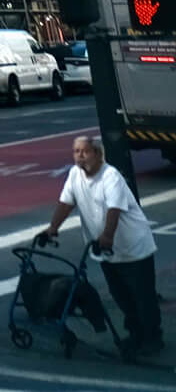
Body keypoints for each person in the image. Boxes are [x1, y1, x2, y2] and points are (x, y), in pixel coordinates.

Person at [38, 134, 162, 359]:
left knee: (142, 296)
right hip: (106, 250)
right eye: (76, 152)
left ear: (97, 154)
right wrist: (52, 228)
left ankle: (153, 338)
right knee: (121, 295)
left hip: (133, 247)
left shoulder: (110, 176)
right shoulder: (75, 175)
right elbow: (66, 203)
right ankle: (136, 334)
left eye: (85, 151)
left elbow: (114, 209)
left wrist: (107, 235)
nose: (80, 156)